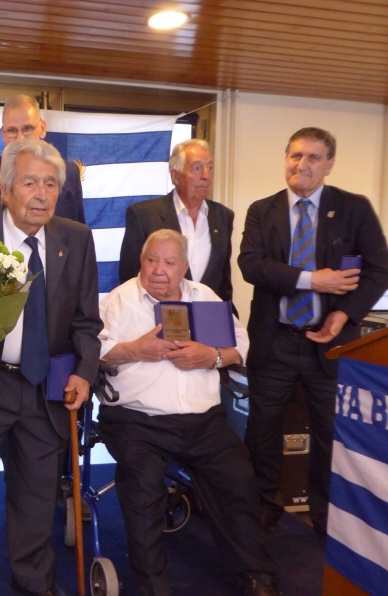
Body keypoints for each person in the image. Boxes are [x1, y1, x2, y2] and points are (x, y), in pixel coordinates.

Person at [0, 139, 102, 596]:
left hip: (43, 390)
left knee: (35, 502)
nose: (41, 193)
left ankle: (33, 584)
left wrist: (85, 372)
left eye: (50, 184)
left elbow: (87, 322)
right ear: (5, 188)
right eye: (30, 182)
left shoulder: (76, 239)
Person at [98, 229, 277, 596]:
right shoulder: (119, 300)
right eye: (152, 260)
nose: (159, 270)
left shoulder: (205, 297)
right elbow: (94, 350)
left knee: (239, 482)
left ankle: (257, 576)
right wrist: (136, 349)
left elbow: (240, 346)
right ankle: (154, 588)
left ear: (184, 267)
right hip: (137, 422)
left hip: (203, 422)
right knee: (143, 488)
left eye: (169, 262)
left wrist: (211, 356)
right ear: (141, 262)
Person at [239, 127, 388, 536]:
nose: (302, 165)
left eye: (313, 158)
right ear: (285, 158)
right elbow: (251, 265)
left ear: (329, 164)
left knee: (329, 434)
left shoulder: (353, 209)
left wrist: (344, 316)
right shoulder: (262, 210)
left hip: (331, 344)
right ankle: (265, 506)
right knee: (262, 430)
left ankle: (325, 516)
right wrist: (311, 280)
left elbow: (379, 270)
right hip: (275, 342)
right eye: (295, 155)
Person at [118, 139, 234, 304]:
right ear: (175, 176)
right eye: (197, 168)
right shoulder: (143, 215)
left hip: (207, 318)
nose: (205, 176)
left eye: (209, 167)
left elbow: (223, 281)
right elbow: (129, 277)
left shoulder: (223, 216)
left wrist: (227, 318)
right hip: (156, 317)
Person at [0, 94, 85, 223]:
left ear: (42, 128)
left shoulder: (70, 173)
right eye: (12, 131)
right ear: (3, 134)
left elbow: (78, 234)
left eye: (27, 129)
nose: (20, 138)